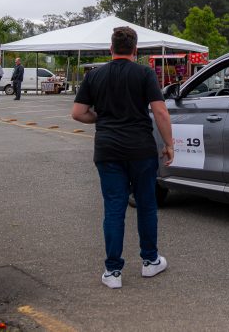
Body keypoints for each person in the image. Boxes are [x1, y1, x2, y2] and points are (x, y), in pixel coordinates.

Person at [72, 26, 175, 290]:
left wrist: (101, 118)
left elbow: (78, 113)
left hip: (108, 150)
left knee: (114, 208)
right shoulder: (144, 73)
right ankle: (150, 261)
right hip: (141, 149)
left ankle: (113, 271)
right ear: (135, 50)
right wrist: (169, 144)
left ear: (111, 49)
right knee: (146, 205)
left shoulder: (95, 75)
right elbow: (161, 112)